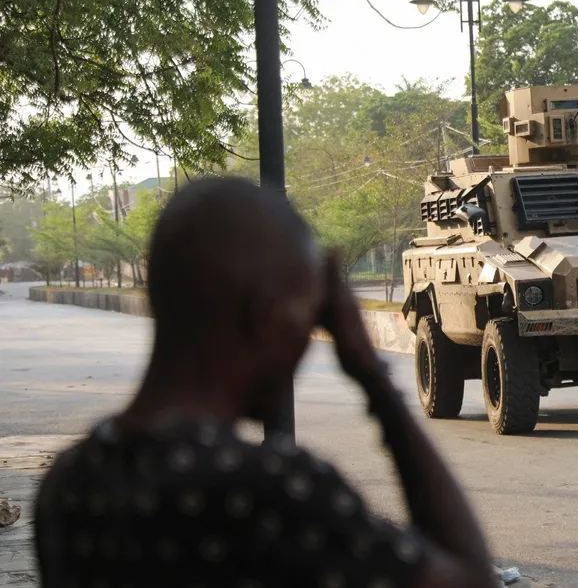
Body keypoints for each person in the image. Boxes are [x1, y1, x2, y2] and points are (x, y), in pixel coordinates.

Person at [34, 177, 496, 588]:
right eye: (306, 319)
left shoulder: (69, 487)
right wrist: (374, 378)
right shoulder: (272, 495)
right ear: (265, 315)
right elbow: (471, 578)